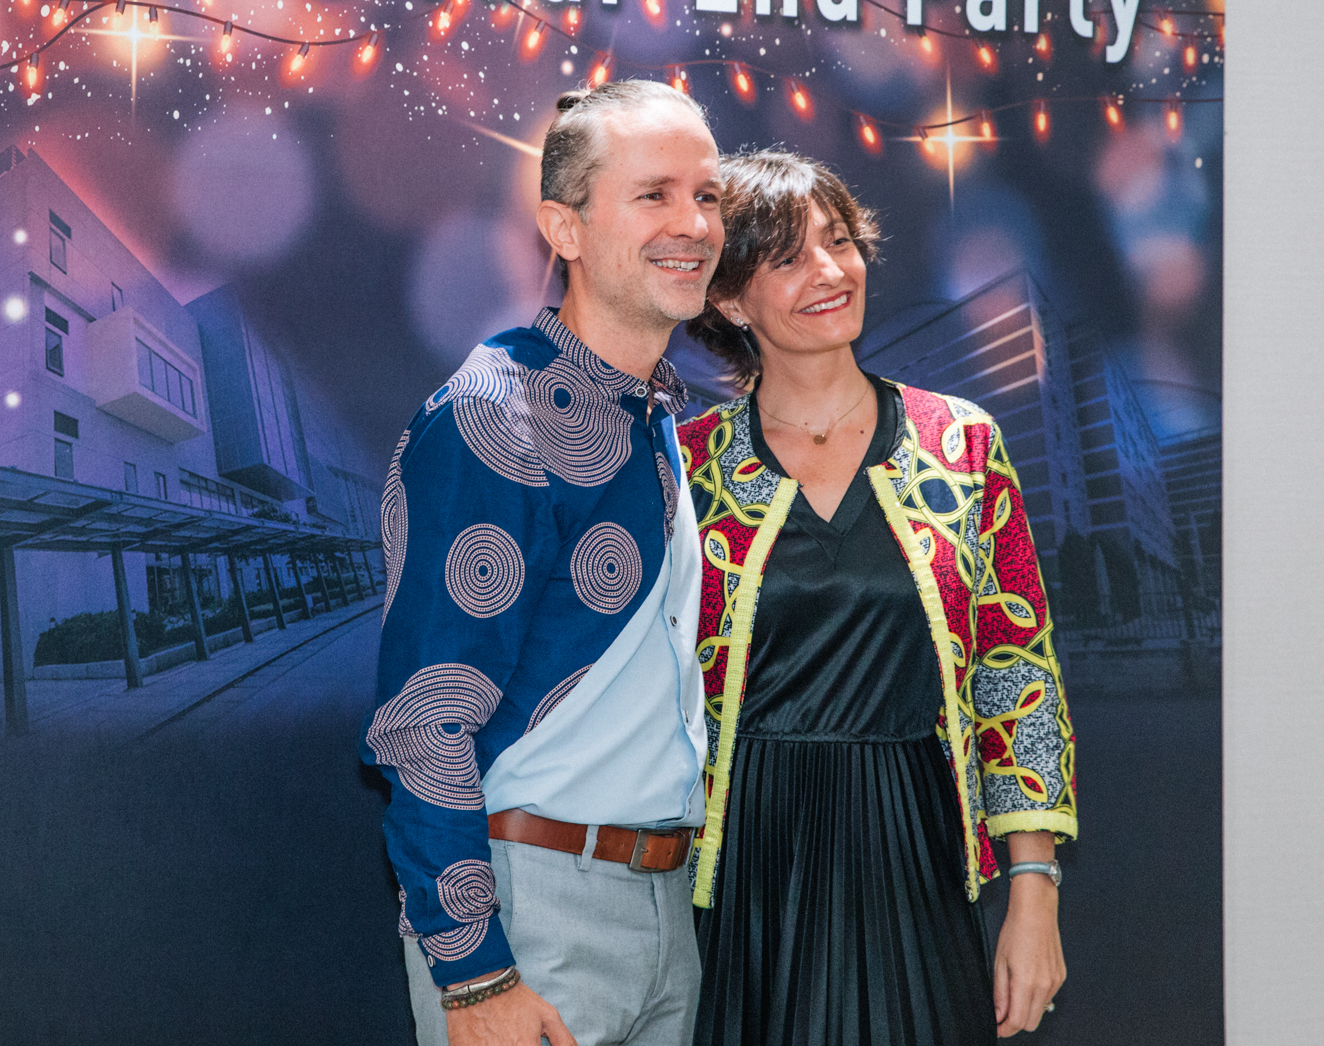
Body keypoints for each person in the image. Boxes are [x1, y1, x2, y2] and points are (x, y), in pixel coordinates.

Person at [678, 149, 1077, 1046]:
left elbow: (1017, 674)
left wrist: (1034, 891)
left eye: (841, 241)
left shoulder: (962, 444)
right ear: (731, 298)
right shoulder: (688, 466)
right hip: (747, 865)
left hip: (914, 845)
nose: (830, 270)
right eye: (789, 257)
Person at [365, 80, 724, 1046]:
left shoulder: (655, 418)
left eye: (707, 194)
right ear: (564, 227)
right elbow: (427, 718)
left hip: (664, 908)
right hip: (531, 921)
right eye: (654, 194)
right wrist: (476, 971)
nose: (694, 223)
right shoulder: (494, 416)